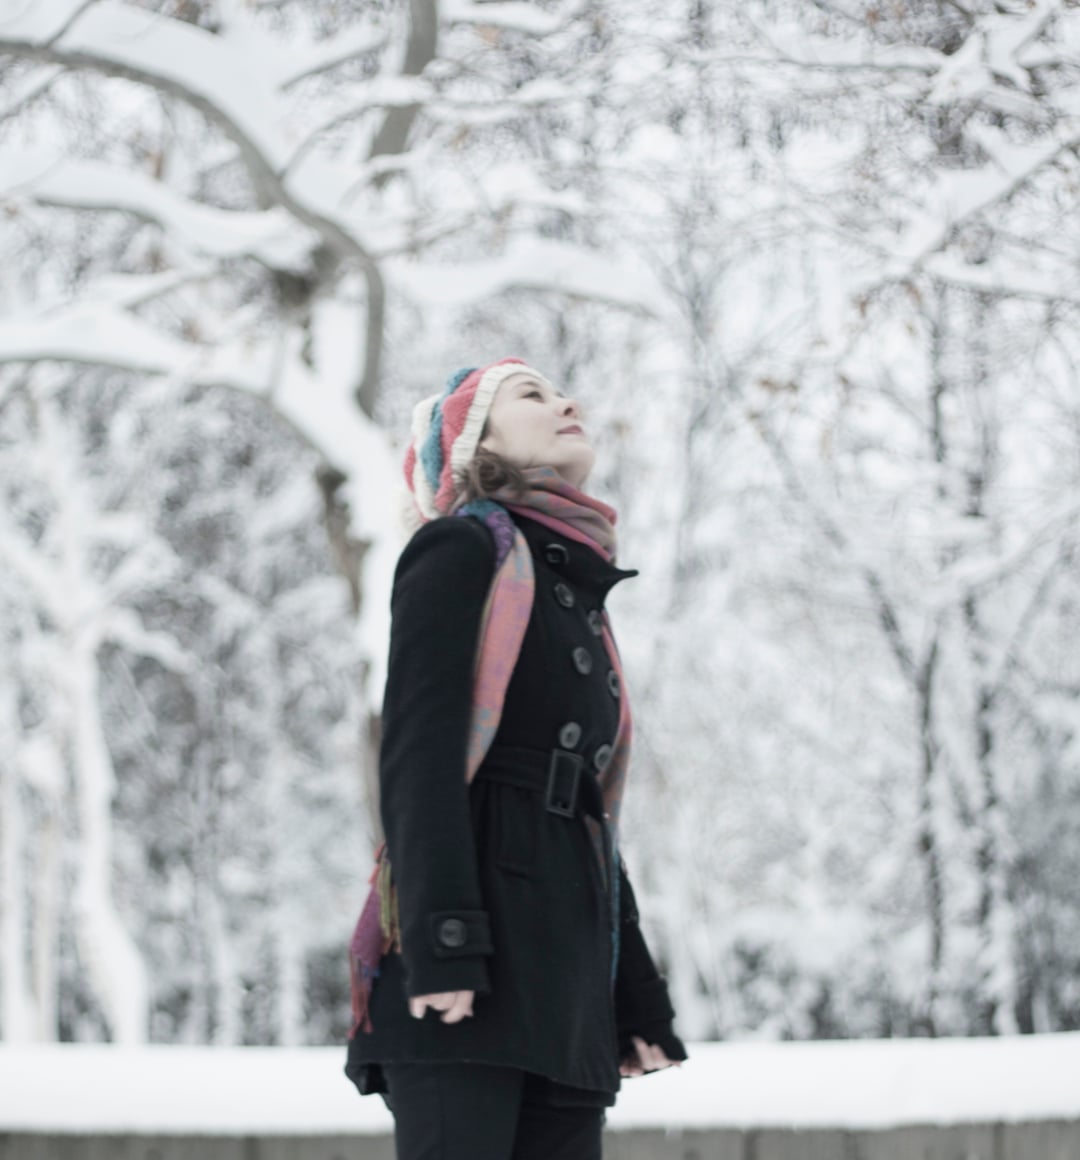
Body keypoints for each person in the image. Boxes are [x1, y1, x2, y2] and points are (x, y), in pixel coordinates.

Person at [344, 357, 687, 1160]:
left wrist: (634, 995)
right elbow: (420, 758)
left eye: (561, 390)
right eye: (532, 394)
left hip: (564, 981)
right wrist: (444, 939)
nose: (567, 401)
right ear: (477, 442)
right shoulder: (461, 550)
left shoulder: (574, 586)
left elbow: (589, 812)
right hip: (471, 959)